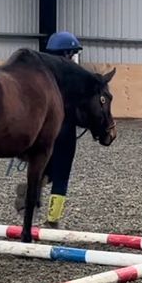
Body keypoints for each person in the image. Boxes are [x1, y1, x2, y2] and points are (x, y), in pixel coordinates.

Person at [42, 30, 85, 228]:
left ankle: (34, 189)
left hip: (42, 131)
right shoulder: (74, 77)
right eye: (72, 53)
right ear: (67, 54)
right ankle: (53, 219)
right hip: (65, 131)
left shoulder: (42, 75)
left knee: (42, 166)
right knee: (62, 176)